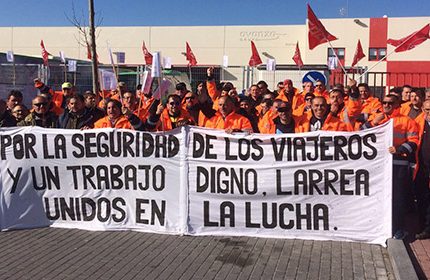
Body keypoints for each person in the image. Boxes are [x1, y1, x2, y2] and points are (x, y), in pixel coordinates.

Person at [362, 94, 419, 239]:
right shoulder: (378, 118)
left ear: (397, 105)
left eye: (390, 103)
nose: (386, 105)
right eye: (384, 102)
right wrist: (374, 123)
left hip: (398, 165)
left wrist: (399, 149)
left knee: (398, 198)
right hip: (378, 165)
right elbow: (361, 133)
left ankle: (398, 228)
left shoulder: (407, 121)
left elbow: (414, 141)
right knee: (377, 196)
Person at [414, 100, 430, 239]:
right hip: (421, 168)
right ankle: (422, 227)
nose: (428, 113)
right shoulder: (418, 122)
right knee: (422, 198)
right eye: (426, 110)